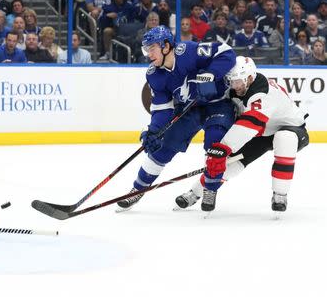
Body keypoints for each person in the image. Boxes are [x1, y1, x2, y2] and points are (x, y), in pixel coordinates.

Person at [116, 25, 236, 211]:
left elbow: (226, 52)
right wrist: (154, 130)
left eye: (152, 48)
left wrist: (211, 74)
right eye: (146, 49)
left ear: (166, 46)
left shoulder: (188, 51)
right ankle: (137, 190)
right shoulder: (154, 75)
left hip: (217, 103)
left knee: (215, 143)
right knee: (163, 147)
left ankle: (210, 189)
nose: (149, 54)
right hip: (189, 109)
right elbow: (162, 107)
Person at [175, 56, 309, 213]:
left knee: (284, 139)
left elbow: (250, 124)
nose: (234, 85)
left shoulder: (262, 92)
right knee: (228, 163)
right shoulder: (237, 88)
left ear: (250, 78)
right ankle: (195, 193)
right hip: (262, 133)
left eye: (237, 81)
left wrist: (223, 147)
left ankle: (280, 194)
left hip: (291, 128)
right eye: (231, 81)